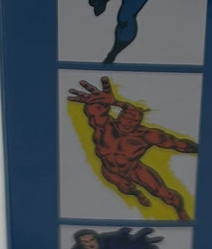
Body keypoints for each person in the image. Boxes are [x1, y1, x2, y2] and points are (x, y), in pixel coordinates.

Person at [68, 75, 197, 221]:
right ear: (120, 117)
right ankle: (138, 194)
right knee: (127, 189)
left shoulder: (146, 135)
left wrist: (202, 149)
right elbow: (94, 111)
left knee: (166, 195)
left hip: (134, 170)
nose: (128, 123)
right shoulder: (105, 127)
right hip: (110, 170)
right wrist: (104, 101)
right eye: (126, 118)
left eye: (134, 121)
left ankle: (181, 213)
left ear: (139, 122)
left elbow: (179, 145)